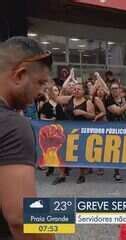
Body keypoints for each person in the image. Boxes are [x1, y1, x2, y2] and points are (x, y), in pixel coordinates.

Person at [0, 36, 54, 240]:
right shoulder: (12, 125)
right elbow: (22, 219)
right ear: (20, 75)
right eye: (40, 83)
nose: (41, 92)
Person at [51, 82, 95, 185]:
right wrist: (49, 87)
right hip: (66, 130)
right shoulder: (69, 98)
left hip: (81, 131)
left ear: (84, 91)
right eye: (74, 89)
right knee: (61, 151)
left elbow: (92, 116)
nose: (76, 91)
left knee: (80, 153)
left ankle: (81, 174)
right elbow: (56, 99)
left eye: (79, 89)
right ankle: (62, 175)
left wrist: (83, 113)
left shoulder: (88, 102)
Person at [105, 81, 126, 181]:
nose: (114, 90)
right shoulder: (108, 100)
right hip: (114, 127)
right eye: (112, 88)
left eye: (116, 88)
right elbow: (118, 111)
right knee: (116, 150)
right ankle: (116, 172)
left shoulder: (124, 99)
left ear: (119, 89)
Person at [39, 85, 66, 177]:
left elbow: (63, 118)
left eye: (57, 90)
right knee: (49, 150)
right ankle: (51, 168)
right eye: (54, 90)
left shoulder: (59, 104)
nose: (56, 92)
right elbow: (41, 118)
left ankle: (62, 173)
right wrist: (50, 120)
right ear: (50, 92)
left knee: (59, 151)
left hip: (59, 132)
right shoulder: (46, 104)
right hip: (48, 132)